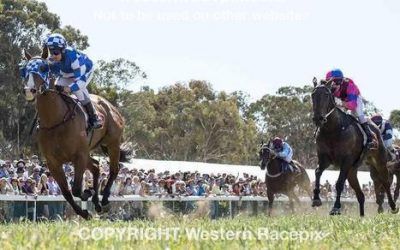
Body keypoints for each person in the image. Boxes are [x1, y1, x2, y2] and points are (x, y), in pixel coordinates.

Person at [44, 33, 102, 129]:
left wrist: (69, 88)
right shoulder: (52, 60)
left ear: (63, 51)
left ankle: (94, 117)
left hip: (84, 72)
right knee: (56, 88)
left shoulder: (73, 57)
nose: (53, 55)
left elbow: (81, 80)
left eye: (56, 52)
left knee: (78, 90)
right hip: (67, 73)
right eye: (51, 52)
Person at [326, 69, 375, 149]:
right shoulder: (329, 89)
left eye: (336, 81)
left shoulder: (350, 86)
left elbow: (352, 105)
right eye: (330, 82)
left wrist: (341, 103)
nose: (334, 85)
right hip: (343, 99)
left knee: (359, 115)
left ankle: (370, 138)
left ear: (341, 81)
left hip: (355, 99)